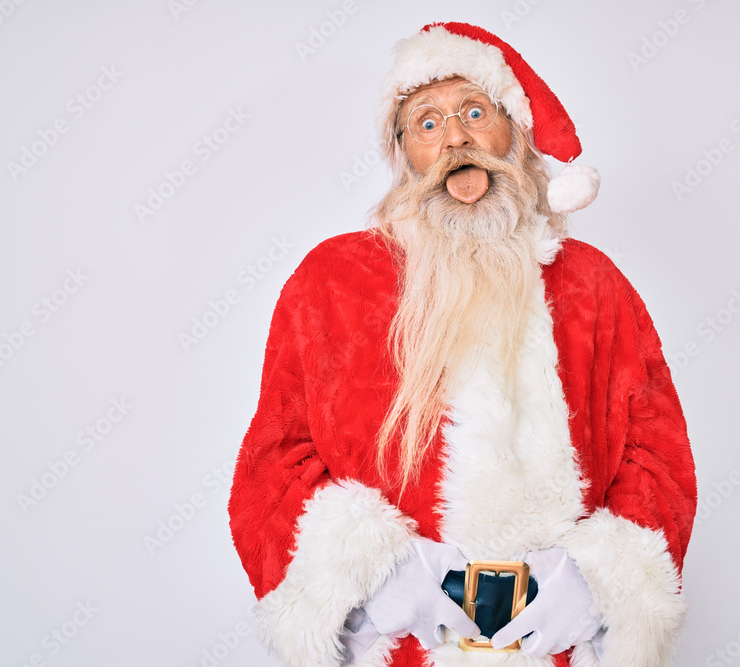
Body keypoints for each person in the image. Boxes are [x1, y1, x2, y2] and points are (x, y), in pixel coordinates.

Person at [228, 21, 697, 667]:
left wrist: (592, 587)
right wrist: (380, 579)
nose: (454, 138)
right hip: (398, 652)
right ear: (401, 152)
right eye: (426, 122)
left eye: (475, 111)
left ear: (514, 132)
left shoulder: (595, 285)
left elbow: (657, 451)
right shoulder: (330, 281)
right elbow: (275, 458)